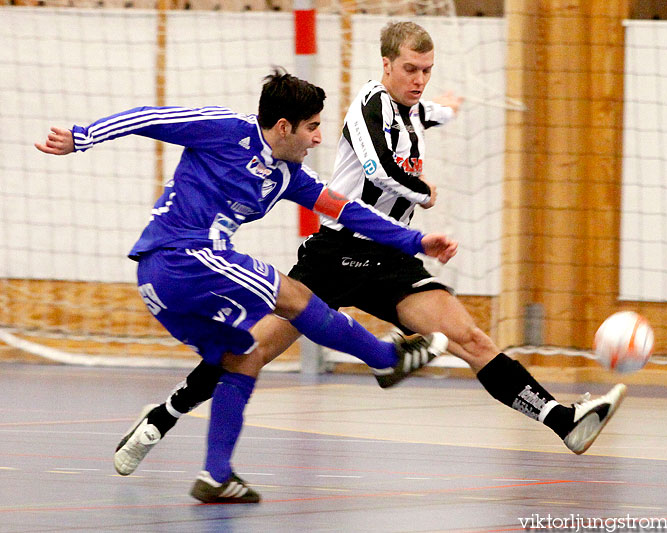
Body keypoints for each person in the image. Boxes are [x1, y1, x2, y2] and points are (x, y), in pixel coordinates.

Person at [108, 22, 626, 499]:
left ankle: (562, 420)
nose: (419, 80)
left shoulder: (413, 109)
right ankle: (164, 417)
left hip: (392, 257)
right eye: (409, 70)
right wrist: (421, 194)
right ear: (385, 66)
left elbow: (427, 115)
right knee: (251, 352)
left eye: (427, 71)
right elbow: (378, 171)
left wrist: (448, 107)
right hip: (337, 254)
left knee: (471, 338)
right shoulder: (369, 108)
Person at [34, 68, 461, 503]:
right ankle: (385, 358)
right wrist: (81, 137)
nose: (317, 139)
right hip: (181, 256)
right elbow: (150, 116)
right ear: (282, 127)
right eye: (312, 127)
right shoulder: (226, 130)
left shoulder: (290, 176)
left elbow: (347, 210)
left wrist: (417, 241)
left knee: (245, 355)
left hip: (170, 280)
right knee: (295, 296)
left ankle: (216, 474)